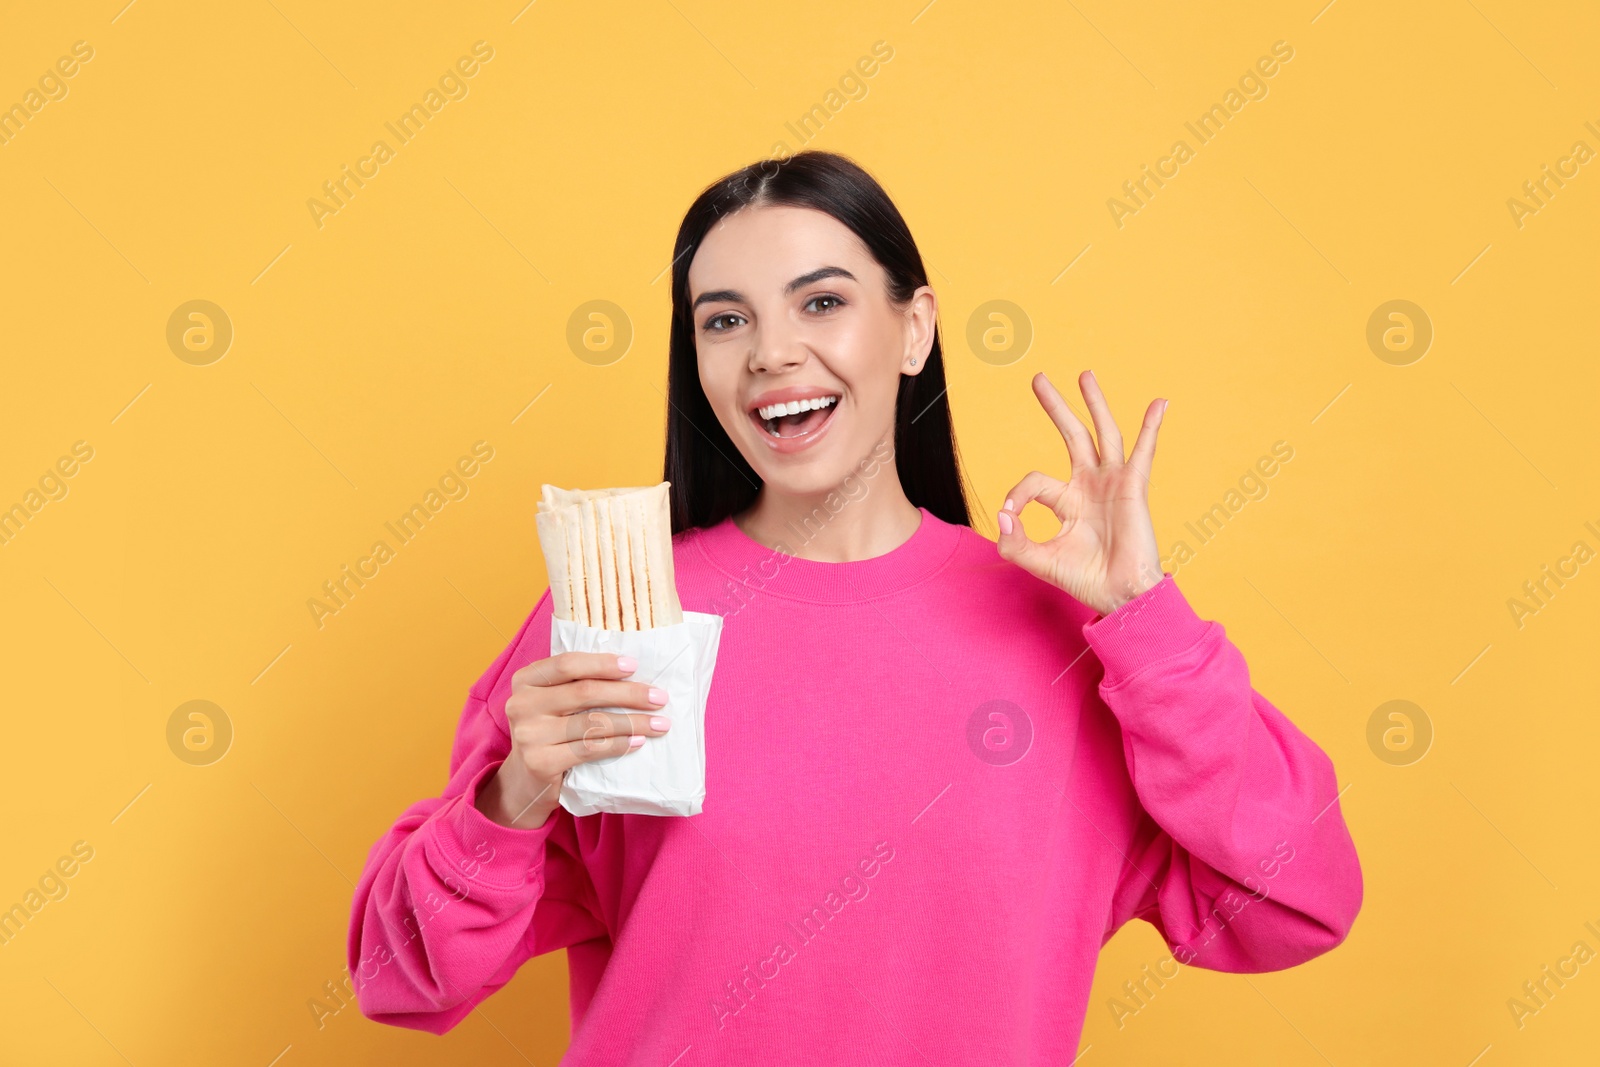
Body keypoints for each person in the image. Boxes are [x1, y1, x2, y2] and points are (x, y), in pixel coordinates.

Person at [347, 150, 1362, 1063]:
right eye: (725, 319)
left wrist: (1146, 620)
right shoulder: (624, 614)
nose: (771, 353)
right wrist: (507, 802)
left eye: (820, 302)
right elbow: (401, 977)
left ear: (913, 328)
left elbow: (1299, 898)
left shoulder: (1067, 640)